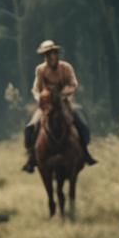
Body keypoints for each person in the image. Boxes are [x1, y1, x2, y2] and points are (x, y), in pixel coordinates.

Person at [21, 40, 98, 172]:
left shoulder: (66, 67)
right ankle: (31, 157)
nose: (51, 56)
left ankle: (85, 152)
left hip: (65, 103)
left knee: (81, 120)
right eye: (48, 54)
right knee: (30, 126)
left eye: (53, 53)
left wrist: (62, 93)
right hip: (46, 106)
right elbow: (36, 88)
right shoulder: (40, 70)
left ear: (57, 54)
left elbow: (73, 84)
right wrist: (41, 98)